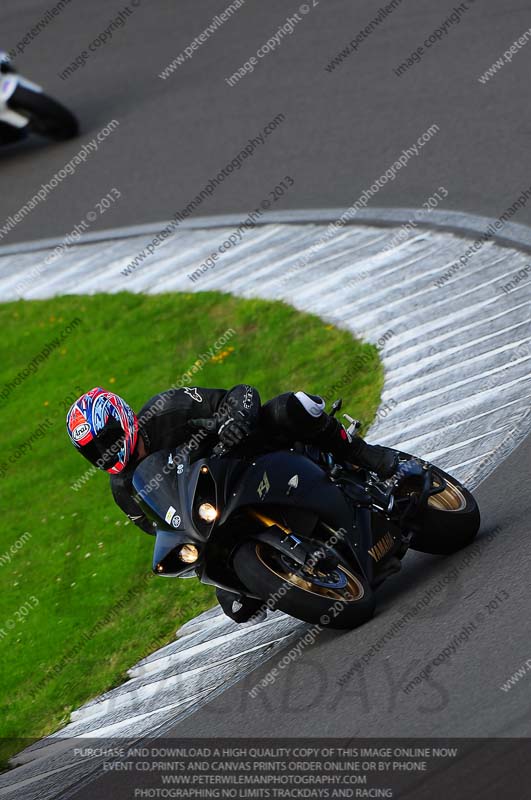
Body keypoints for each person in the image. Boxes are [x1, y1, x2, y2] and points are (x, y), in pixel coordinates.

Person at [66, 385, 398, 622]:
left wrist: (235, 419)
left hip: (244, 458)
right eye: (94, 451)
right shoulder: (124, 490)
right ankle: (293, 570)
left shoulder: (166, 408)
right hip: (214, 516)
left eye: (107, 440)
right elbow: (161, 527)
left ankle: (360, 453)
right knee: (237, 607)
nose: (105, 452)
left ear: (121, 417)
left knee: (292, 407)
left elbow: (238, 395)